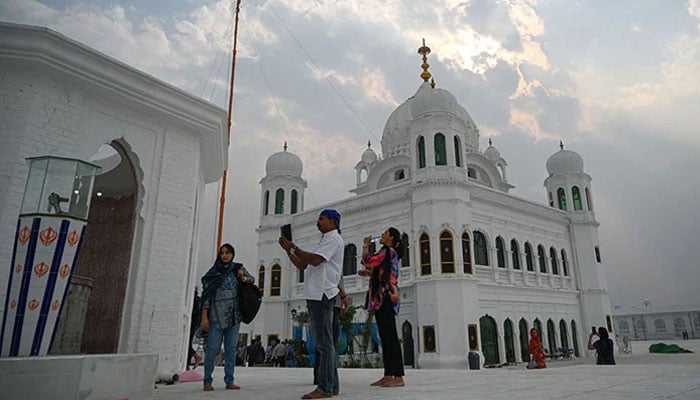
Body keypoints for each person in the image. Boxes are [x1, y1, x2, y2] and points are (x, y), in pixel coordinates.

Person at [279, 209, 344, 399]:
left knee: (324, 343)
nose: (318, 222)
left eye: (321, 219)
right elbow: (302, 264)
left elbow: (315, 260)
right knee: (325, 343)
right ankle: (332, 386)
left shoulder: (333, 239)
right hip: (316, 294)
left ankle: (324, 387)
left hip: (322, 293)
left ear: (332, 221)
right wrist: (289, 250)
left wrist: (294, 247)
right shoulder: (325, 239)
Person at [200, 243, 254, 392]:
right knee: (212, 349)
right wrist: (204, 318)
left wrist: (243, 277)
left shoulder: (237, 269)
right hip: (216, 317)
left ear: (232, 254)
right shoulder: (213, 273)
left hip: (234, 316)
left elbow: (251, 280)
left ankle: (229, 380)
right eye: (222, 253)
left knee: (231, 349)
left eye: (228, 252)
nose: (225, 255)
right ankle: (207, 381)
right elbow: (206, 297)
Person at [359, 227, 405, 387]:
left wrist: (365, 245)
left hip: (385, 297)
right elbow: (381, 271)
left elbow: (368, 260)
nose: (383, 234)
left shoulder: (387, 250)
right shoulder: (386, 252)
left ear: (391, 237)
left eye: (385, 233)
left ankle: (398, 376)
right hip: (381, 298)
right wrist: (371, 274)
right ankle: (388, 374)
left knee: (390, 337)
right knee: (385, 337)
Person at [314, 281, 349, 385]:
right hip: (330, 301)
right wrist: (343, 295)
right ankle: (325, 379)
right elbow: (331, 277)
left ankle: (326, 377)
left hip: (331, 301)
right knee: (328, 342)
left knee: (325, 341)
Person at [186, 287, 203, 370]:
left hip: (191, 324)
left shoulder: (192, 300)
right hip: (195, 324)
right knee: (187, 343)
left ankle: (188, 363)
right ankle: (189, 363)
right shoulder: (199, 300)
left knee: (186, 343)